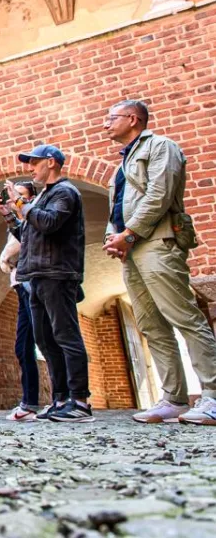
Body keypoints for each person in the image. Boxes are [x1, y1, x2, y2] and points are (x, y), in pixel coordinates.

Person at [103, 100, 216, 426]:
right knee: (151, 324)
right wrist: (114, 236)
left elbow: (159, 195)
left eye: (111, 118)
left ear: (133, 119)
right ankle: (174, 398)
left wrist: (130, 233)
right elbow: (118, 206)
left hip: (157, 241)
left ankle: (212, 394)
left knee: (184, 317)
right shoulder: (122, 164)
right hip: (132, 249)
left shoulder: (160, 147)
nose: (105, 124)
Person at [0, 144, 92, 423]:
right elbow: (28, 235)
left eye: (34, 162)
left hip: (57, 273)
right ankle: (60, 399)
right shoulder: (43, 197)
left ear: (51, 162)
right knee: (45, 340)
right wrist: (9, 213)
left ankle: (80, 402)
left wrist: (20, 203)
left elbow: (49, 223)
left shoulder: (64, 192)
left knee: (66, 336)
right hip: (36, 274)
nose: (30, 168)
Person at [0, 182, 41, 422]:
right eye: (12, 196)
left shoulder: (36, 219)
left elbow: (21, 245)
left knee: (49, 341)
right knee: (22, 346)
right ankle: (29, 402)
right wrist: (7, 214)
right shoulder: (18, 223)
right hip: (20, 286)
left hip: (34, 283)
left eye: (20, 196)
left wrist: (5, 257)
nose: (14, 200)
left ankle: (68, 398)